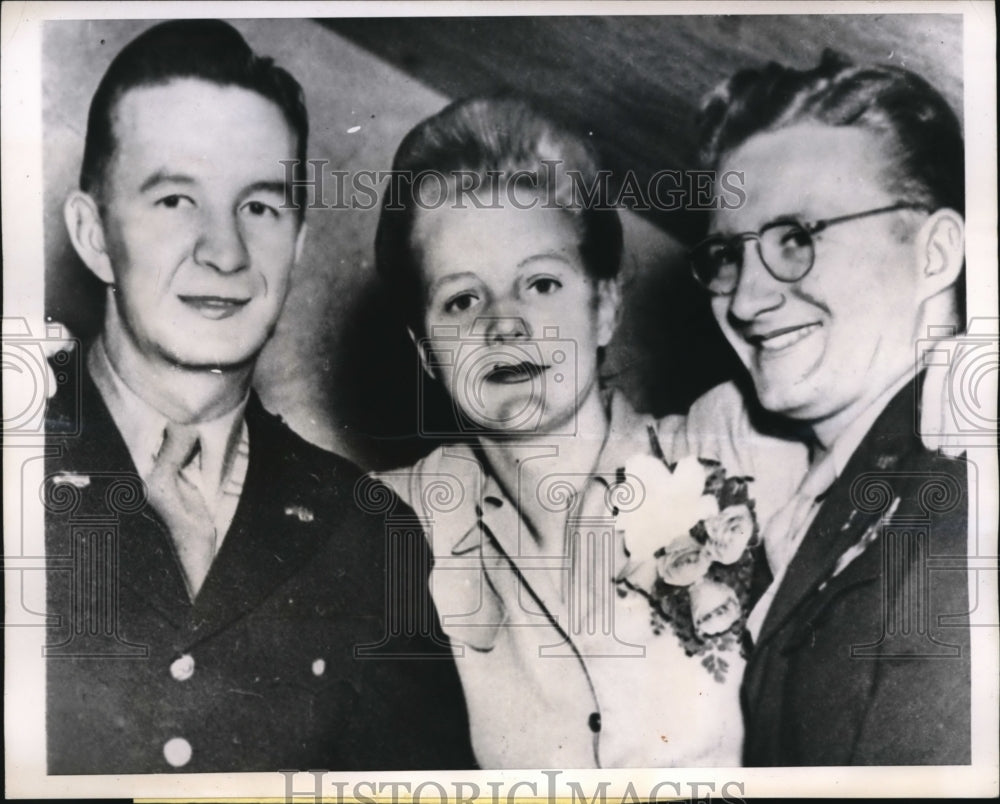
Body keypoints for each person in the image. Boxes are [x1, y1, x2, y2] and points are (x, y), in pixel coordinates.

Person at [43, 19, 474, 774]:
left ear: (299, 246)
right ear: (92, 233)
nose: (225, 251)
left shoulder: (367, 534)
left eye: (261, 207)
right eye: (176, 199)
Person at [372, 95, 807, 768]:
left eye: (540, 284)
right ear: (426, 351)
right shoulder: (390, 523)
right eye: (462, 299)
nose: (503, 325)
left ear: (604, 306)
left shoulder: (737, 445)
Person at [684, 50, 971, 765]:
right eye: (727, 254)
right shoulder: (864, 483)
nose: (746, 301)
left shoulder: (962, 500)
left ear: (935, 253)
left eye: (798, 240)